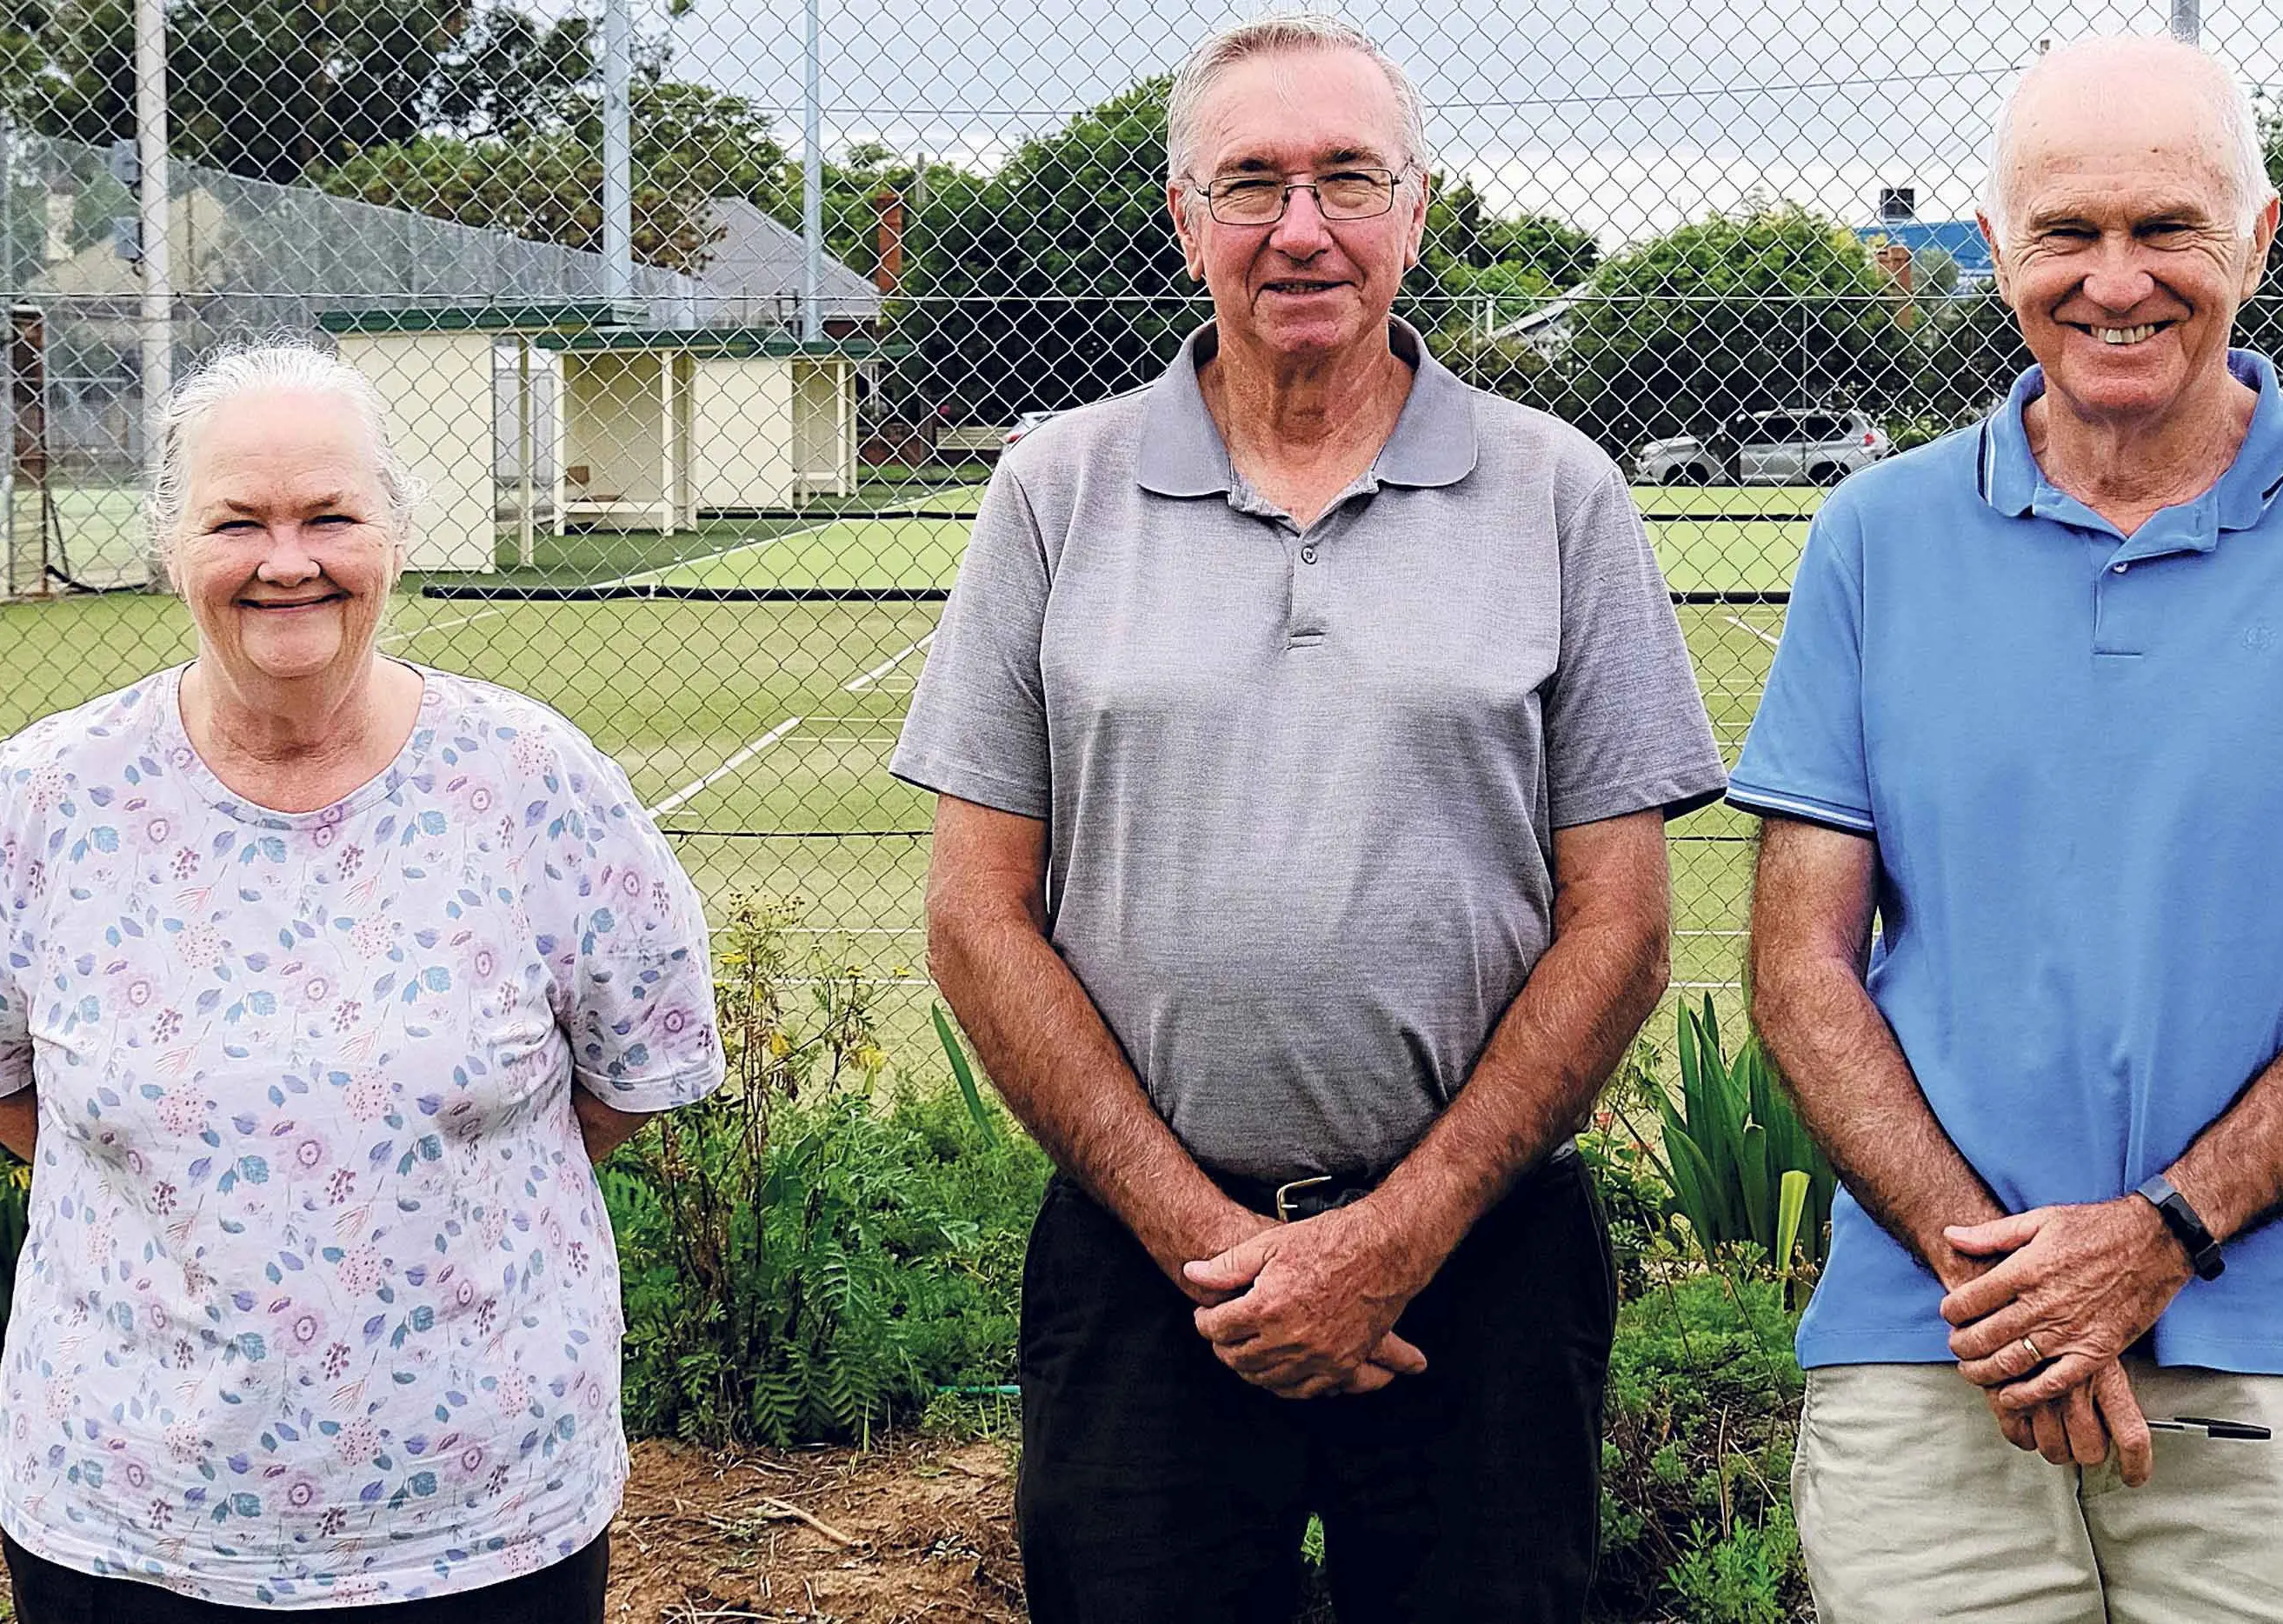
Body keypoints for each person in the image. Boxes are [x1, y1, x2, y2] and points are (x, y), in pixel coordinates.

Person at [890, 14, 1724, 1622]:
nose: (1302, 227)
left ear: (1417, 210)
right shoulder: (1054, 490)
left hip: (1483, 1264)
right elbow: (975, 915)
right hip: (1149, 1273)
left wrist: (1396, 1236)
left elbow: (1621, 925)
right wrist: (1209, 1242)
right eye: (1251, 183)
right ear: (1183, 218)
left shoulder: (1560, 493)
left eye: (1349, 178)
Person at [1730, 35, 2283, 1622]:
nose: (2114, 279)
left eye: (2165, 227)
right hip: (1933, 1364)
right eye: (2064, 232)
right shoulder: (1874, 538)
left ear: (2258, 239)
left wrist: (2162, 1238)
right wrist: (2007, 1288)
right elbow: (1797, 965)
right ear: (1994, 254)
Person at [0, 343, 723, 1616]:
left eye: (330, 516)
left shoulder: (534, 782)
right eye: (240, 522)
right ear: (173, 544)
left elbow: (623, 1083)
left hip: (484, 1525)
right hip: (129, 1522)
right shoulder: (45, 800)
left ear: (395, 534)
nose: (289, 560)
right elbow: (12, 1095)